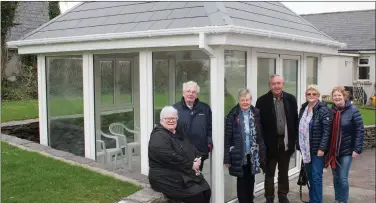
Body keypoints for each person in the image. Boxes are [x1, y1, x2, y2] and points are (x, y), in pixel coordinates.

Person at [148, 106, 211, 203]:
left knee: (206, 191)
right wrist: (191, 165)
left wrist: (197, 158)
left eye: (173, 118)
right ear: (161, 120)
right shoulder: (158, 135)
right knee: (196, 196)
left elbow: (192, 147)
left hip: (182, 172)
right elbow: (169, 156)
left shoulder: (179, 132)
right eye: (167, 118)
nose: (171, 121)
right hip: (164, 176)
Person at [255, 74, 298, 203]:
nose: (276, 86)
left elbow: (295, 121)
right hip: (269, 144)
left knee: (283, 172)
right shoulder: (262, 101)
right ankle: (269, 197)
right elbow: (259, 124)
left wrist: (293, 141)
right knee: (269, 173)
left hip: (285, 143)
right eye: (273, 84)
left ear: (283, 84)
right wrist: (261, 144)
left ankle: (283, 196)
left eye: (278, 83)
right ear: (270, 85)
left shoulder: (291, 99)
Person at [224, 88, 267, 203]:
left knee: (251, 179)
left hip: (253, 153)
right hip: (239, 153)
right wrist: (227, 158)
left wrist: (263, 153)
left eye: (247, 100)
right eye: (243, 100)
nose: (245, 102)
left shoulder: (256, 113)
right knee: (242, 180)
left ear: (250, 100)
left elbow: (260, 136)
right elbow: (227, 138)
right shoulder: (233, 115)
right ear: (239, 100)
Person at [326, 86, 365, 203]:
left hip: (346, 151)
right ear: (332, 98)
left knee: (342, 178)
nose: (337, 97)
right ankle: (338, 199)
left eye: (339, 95)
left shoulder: (353, 110)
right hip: (333, 151)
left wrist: (357, 149)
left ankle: (343, 200)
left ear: (344, 96)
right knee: (336, 178)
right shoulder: (330, 111)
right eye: (335, 95)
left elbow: (360, 130)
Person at [297, 84, 332, 203]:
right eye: (309, 94)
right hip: (306, 149)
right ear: (306, 95)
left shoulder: (323, 110)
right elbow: (300, 128)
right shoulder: (303, 108)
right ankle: (313, 199)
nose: (311, 96)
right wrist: (299, 145)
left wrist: (322, 148)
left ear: (318, 95)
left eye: (314, 94)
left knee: (316, 177)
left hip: (318, 150)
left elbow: (327, 131)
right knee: (311, 177)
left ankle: (317, 201)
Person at [173, 81, 212, 171]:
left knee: (196, 178)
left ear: (197, 94)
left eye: (193, 92)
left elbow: (210, 128)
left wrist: (209, 143)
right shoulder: (175, 109)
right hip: (181, 152)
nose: (191, 94)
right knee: (182, 179)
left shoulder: (205, 108)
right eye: (188, 91)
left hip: (199, 151)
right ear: (183, 93)